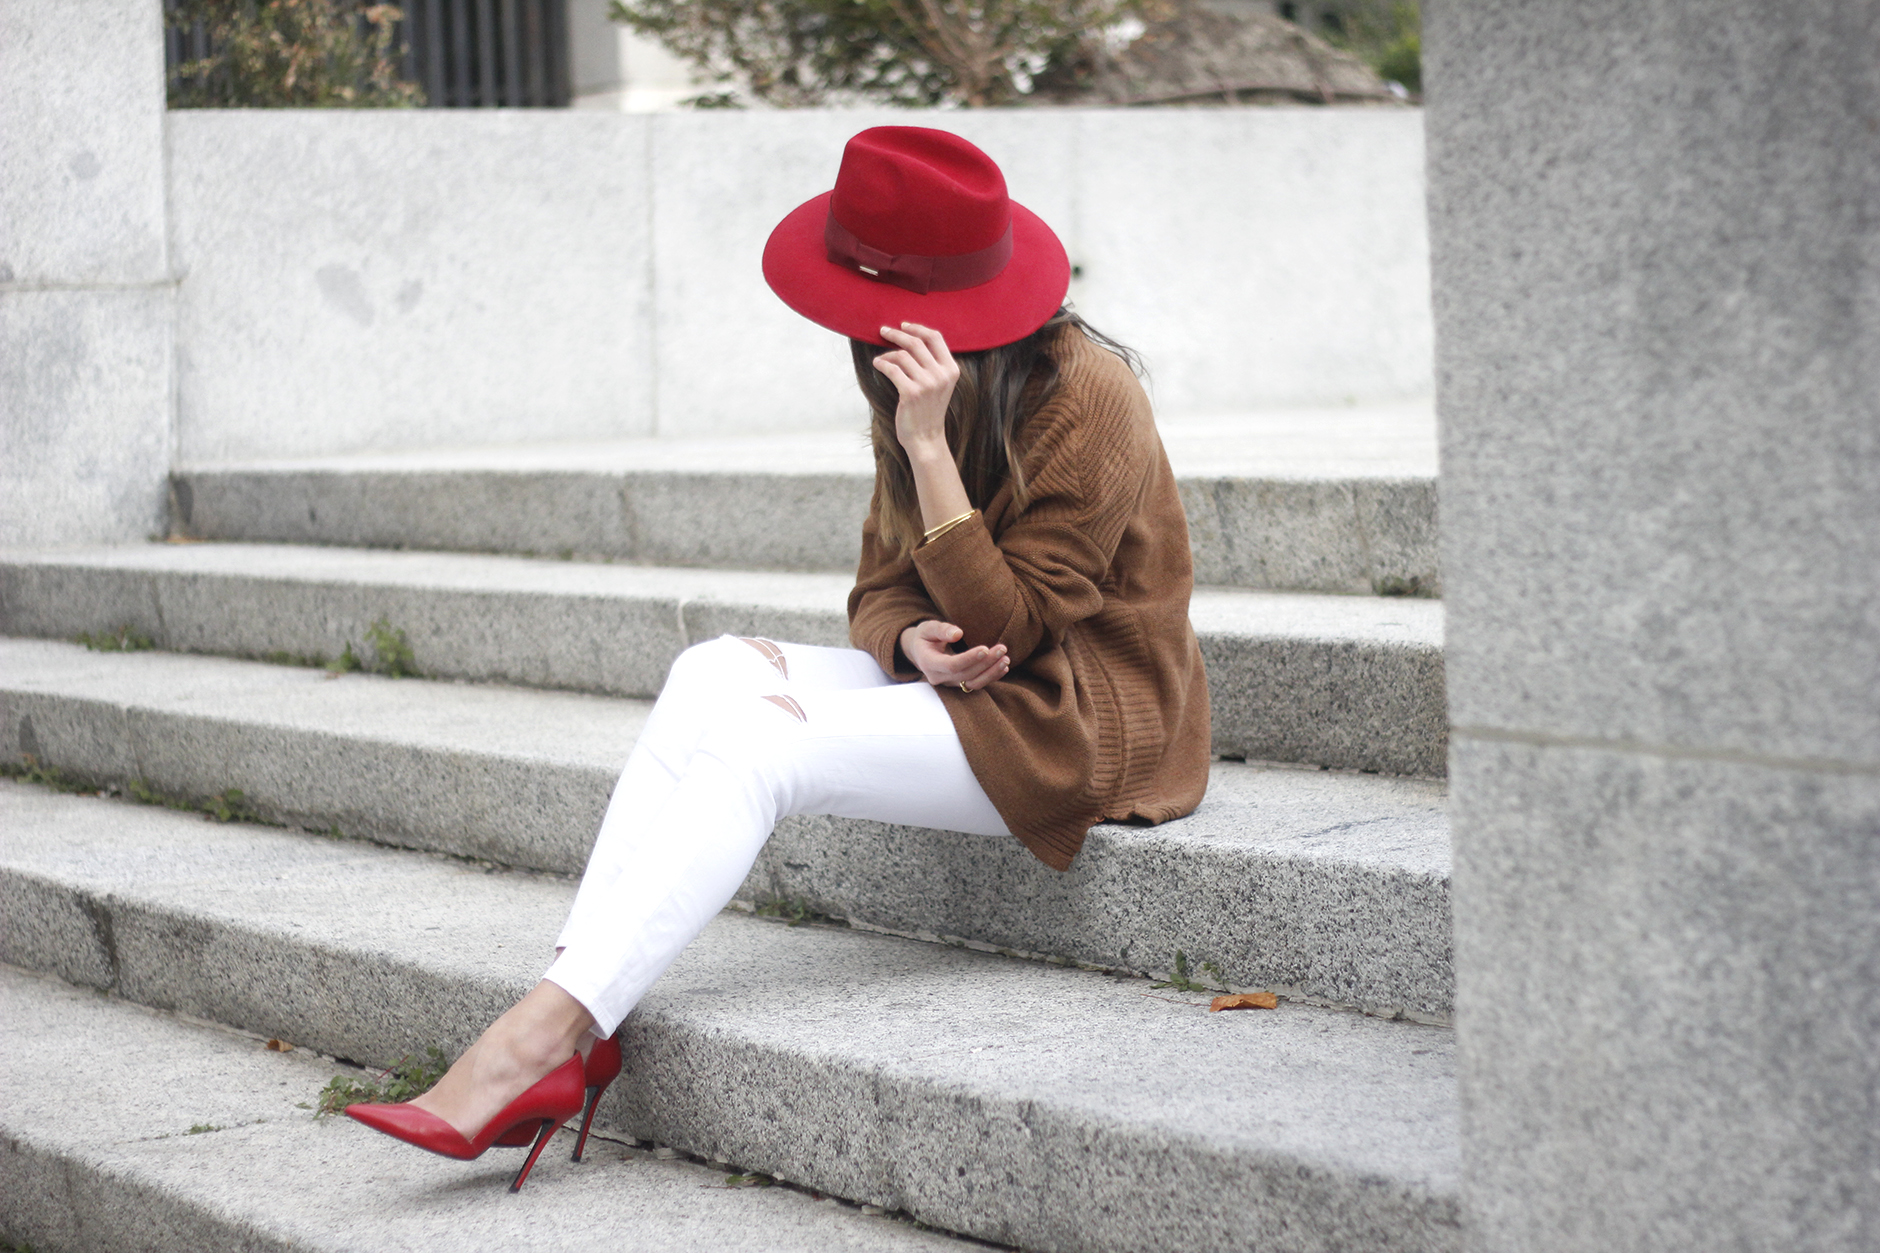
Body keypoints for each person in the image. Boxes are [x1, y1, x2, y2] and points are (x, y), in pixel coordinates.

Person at [346, 125, 1211, 1191]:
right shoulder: (924, 374)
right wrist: (904, 639)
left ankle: (530, 1045)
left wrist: (930, 450)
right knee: (712, 669)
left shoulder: (1085, 395)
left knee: (760, 741)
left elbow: (1015, 626)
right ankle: (571, 1016)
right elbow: (880, 586)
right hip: (975, 687)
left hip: (1082, 716)